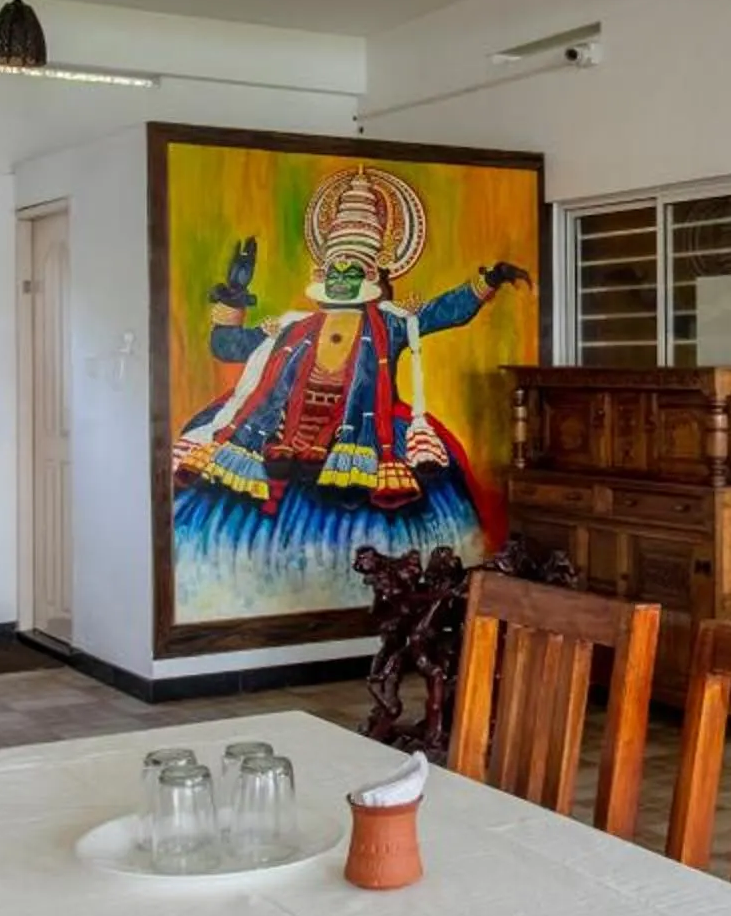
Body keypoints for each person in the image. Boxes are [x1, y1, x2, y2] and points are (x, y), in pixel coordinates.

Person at [171, 165, 528, 620]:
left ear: (373, 273)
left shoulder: (392, 325)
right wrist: (235, 295)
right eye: (335, 267)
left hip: (364, 442)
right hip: (272, 439)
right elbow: (227, 346)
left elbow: (443, 312)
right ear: (323, 269)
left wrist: (488, 280)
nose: (340, 276)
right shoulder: (290, 328)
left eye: (351, 268)